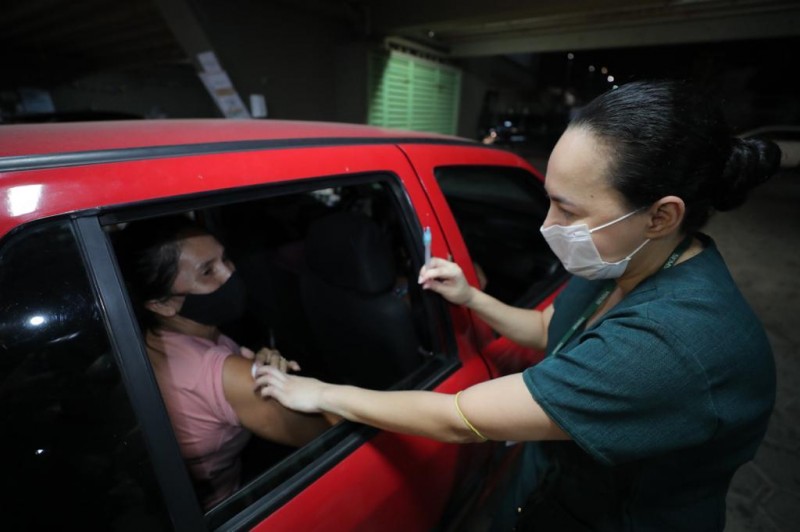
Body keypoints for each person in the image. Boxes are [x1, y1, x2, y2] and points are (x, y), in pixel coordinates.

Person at [253, 80, 780, 531]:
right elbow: (550, 327)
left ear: (661, 216)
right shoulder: (627, 261)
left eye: (567, 209)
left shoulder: (671, 348)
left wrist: (323, 392)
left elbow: (459, 419)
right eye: (548, 197)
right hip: (547, 495)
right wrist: (472, 296)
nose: (546, 223)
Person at [114, 215, 335, 510]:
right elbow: (334, 435)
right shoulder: (222, 374)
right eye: (207, 272)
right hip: (230, 508)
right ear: (163, 303)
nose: (229, 274)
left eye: (225, 259)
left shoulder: (154, 337)